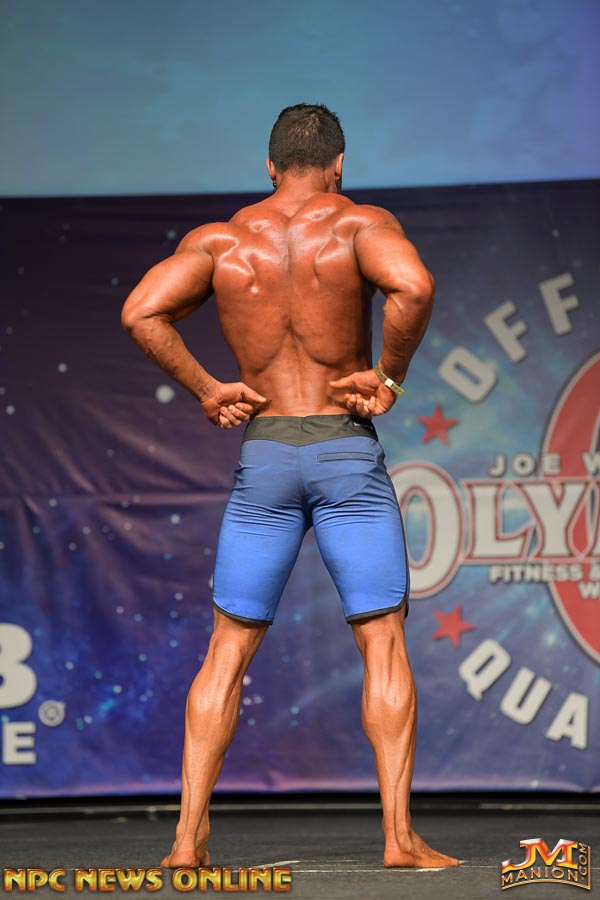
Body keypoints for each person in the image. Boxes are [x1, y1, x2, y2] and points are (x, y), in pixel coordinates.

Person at [121, 103, 459, 870]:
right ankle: (399, 839)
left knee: (227, 648)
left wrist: (209, 388)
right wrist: (390, 377)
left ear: (269, 166)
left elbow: (141, 312)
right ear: (339, 164)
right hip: (344, 453)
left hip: (266, 457)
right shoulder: (359, 224)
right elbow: (413, 286)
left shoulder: (221, 242)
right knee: (382, 640)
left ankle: (186, 841)